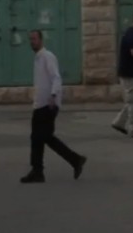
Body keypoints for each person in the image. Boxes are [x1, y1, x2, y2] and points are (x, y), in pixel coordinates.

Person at [20, 30, 87, 184]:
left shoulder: (47, 56)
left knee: (42, 137)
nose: (32, 42)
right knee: (39, 138)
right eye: (30, 39)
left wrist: (54, 95)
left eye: (35, 39)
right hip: (40, 104)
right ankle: (39, 171)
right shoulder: (37, 58)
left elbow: (56, 77)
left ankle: (74, 160)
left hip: (48, 105)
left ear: (41, 40)